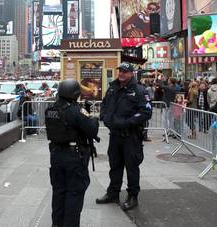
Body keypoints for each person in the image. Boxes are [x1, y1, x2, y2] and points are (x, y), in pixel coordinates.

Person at [96, 62, 152, 211]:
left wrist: (127, 122)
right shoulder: (113, 87)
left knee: (132, 167)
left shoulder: (140, 90)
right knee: (115, 166)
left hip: (131, 136)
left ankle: (133, 196)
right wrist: (105, 117)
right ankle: (113, 193)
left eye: (124, 71)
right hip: (115, 135)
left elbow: (146, 112)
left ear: (131, 73)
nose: (121, 73)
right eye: (119, 70)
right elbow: (105, 104)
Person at [45, 79, 99, 227]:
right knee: (74, 194)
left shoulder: (51, 110)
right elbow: (92, 129)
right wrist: (92, 118)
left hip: (56, 155)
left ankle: (57, 224)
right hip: (73, 157)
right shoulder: (76, 111)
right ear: (75, 94)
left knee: (59, 192)